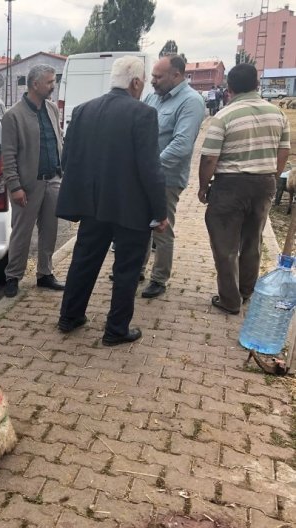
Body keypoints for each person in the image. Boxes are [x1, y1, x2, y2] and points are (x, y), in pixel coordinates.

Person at [56, 56, 168, 346]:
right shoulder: (142, 114)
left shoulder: (82, 111)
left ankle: (69, 317)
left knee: (83, 260)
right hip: (131, 209)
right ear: (134, 83)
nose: (143, 88)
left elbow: (66, 159)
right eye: (142, 83)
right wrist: (160, 211)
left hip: (92, 205)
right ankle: (116, 329)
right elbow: (150, 168)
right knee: (126, 269)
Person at [198, 63, 290, 315]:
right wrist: (271, 173)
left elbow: (208, 158)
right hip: (264, 185)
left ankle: (230, 300)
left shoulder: (224, 116)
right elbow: (284, 151)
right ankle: (246, 290)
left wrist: (203, 187)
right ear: (257, 84)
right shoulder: (277, 114)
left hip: (230, 186)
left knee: (225, 245)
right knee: (253, 240)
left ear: (229, 87)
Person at [139, 55, 206, 299]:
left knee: (161, 229)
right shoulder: (152, 97)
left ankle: (159, 278)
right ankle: (138, 269)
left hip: (165, 178)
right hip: (144, 175)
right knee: (140, 225)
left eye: (158, 77)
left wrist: (151, 167)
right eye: (153, 76)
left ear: (176, 76)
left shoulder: (191, 102)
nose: (153, 81)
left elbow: (182, 144)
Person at [2, 64, 65, 298]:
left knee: (50, 231)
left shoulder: (51, 109)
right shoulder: (13, 115)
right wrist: (15, 186)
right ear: (35, 84)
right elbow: (8, 155)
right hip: (27, 186)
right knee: (22, 233)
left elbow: (58, 140)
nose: (53, 85)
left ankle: (44, 274)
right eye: (49, 82)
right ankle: (13, 276)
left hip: (53, 181)